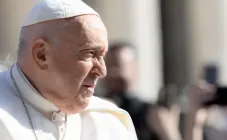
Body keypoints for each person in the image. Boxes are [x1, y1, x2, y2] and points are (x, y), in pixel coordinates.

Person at [0, 0, 137, 140]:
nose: (102, 71)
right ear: (42, 55)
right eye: (89, 54)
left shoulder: (107, 123)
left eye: (102, 56)